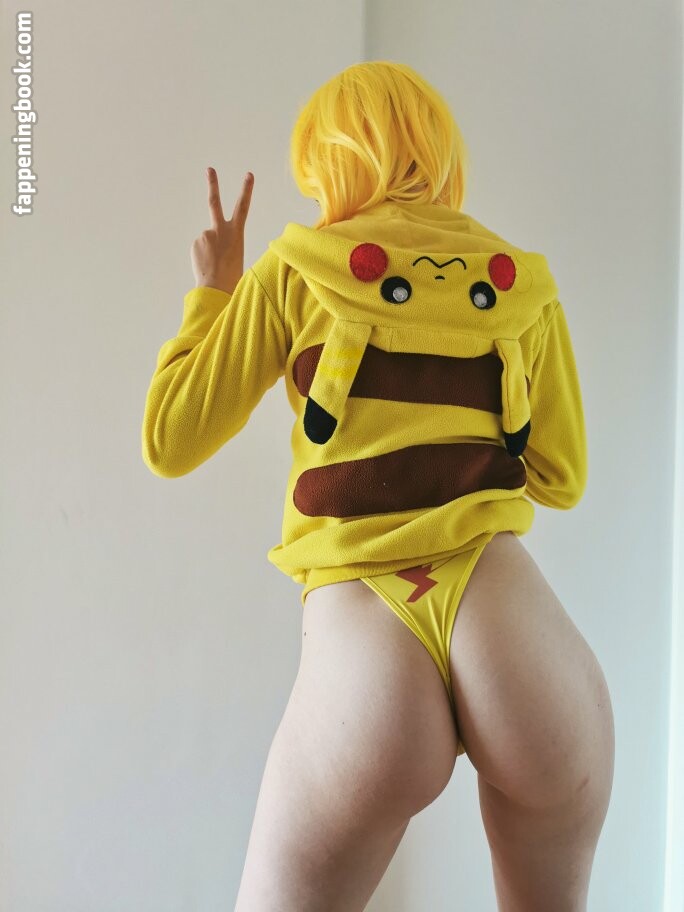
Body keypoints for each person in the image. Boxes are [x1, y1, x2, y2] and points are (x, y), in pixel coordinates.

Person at [142, 61, 615, 912]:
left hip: (363, 649)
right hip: (517, 628)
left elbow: (171, 439)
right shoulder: (520, 282)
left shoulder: (297, 267)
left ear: (329, 161)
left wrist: (213, 292)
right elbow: (562, 477)